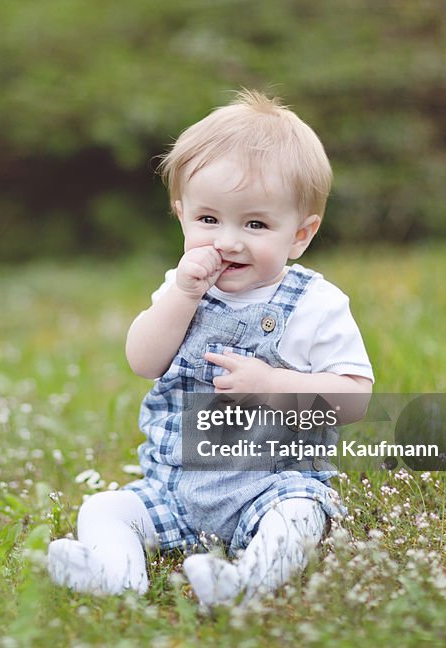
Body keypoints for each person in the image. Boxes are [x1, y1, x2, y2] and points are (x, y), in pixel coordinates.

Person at [47, 89, 373, 606]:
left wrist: (274, 385)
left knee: (300, 518)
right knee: (104, 509)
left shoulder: (315, 304)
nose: (228, 241)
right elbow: (143, 360)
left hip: (271, 488)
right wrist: (181, 294)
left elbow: (355, 397)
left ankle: (246, 583)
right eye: (208, 220)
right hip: (174, 491)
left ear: (300, 235)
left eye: (256, 224)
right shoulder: (181, 288)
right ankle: (116, 575)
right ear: (181, 215)